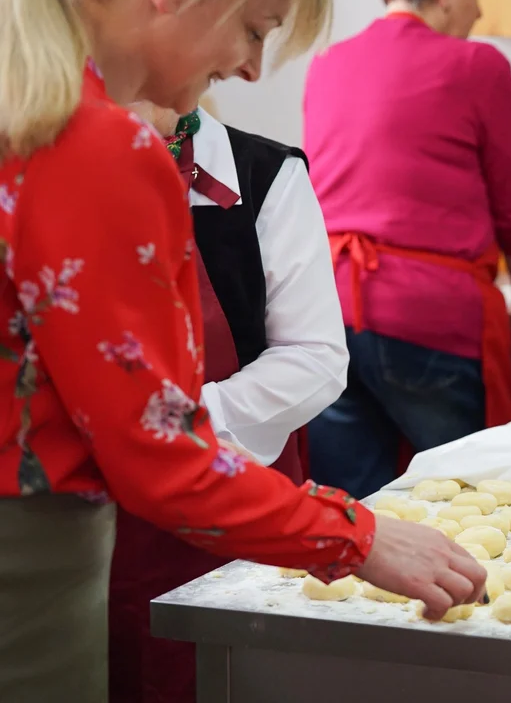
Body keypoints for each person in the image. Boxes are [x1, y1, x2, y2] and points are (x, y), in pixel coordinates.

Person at [0, 0, 486, 701]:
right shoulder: (95, 148)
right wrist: (358, 537)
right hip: (29, 561)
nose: (252, 71)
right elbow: (157, 454)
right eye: (254, 31)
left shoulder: (29, 126)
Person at [109, 99, 348, 703]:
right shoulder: (46, 164)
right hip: (80, 518)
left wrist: (183, 425)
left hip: (231, 506)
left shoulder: (265, 175)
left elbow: (316, 357)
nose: (249, 64)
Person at [303, 0, 511, 500]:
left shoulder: (328, 62)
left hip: (330, 313)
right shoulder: (476, 66)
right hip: (427, 317)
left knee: (352, 519)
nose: (481, 8)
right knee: (468, 505)